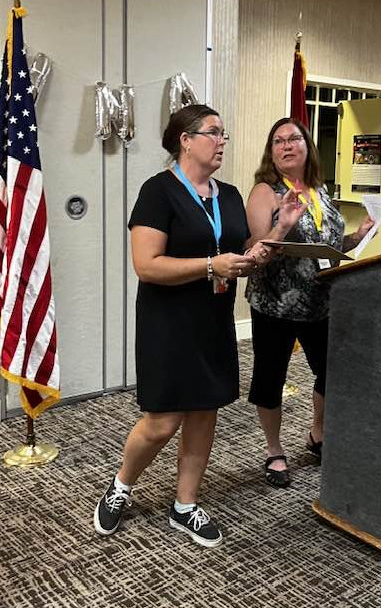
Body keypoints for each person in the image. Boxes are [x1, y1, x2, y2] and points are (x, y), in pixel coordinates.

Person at [93, 105, 297, 546]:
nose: (222, 141)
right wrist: (211, 265)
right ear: (185, 139)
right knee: (163, 422)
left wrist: (279, 230)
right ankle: (122, 485)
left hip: (213, 320)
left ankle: (185, 505)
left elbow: (243, 252)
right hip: (167, 323)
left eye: (225, 134)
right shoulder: (158, 191)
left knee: (204, 413)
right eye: (214, 133)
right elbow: (146, 265)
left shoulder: (227, 196)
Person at [245, 117, 376, 488]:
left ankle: (318, 432)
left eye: (294, 139)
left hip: (321, 301)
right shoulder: (265, 192)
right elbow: (256, 250)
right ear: (271, 152)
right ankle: (274, 451)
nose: (287, 145)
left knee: (333, 371)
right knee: (271, 379)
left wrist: (358, 236)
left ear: (307, 146)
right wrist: (283, 224)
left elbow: (330, 248)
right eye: (278, 141)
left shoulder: (318, 189)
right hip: (276, 303)